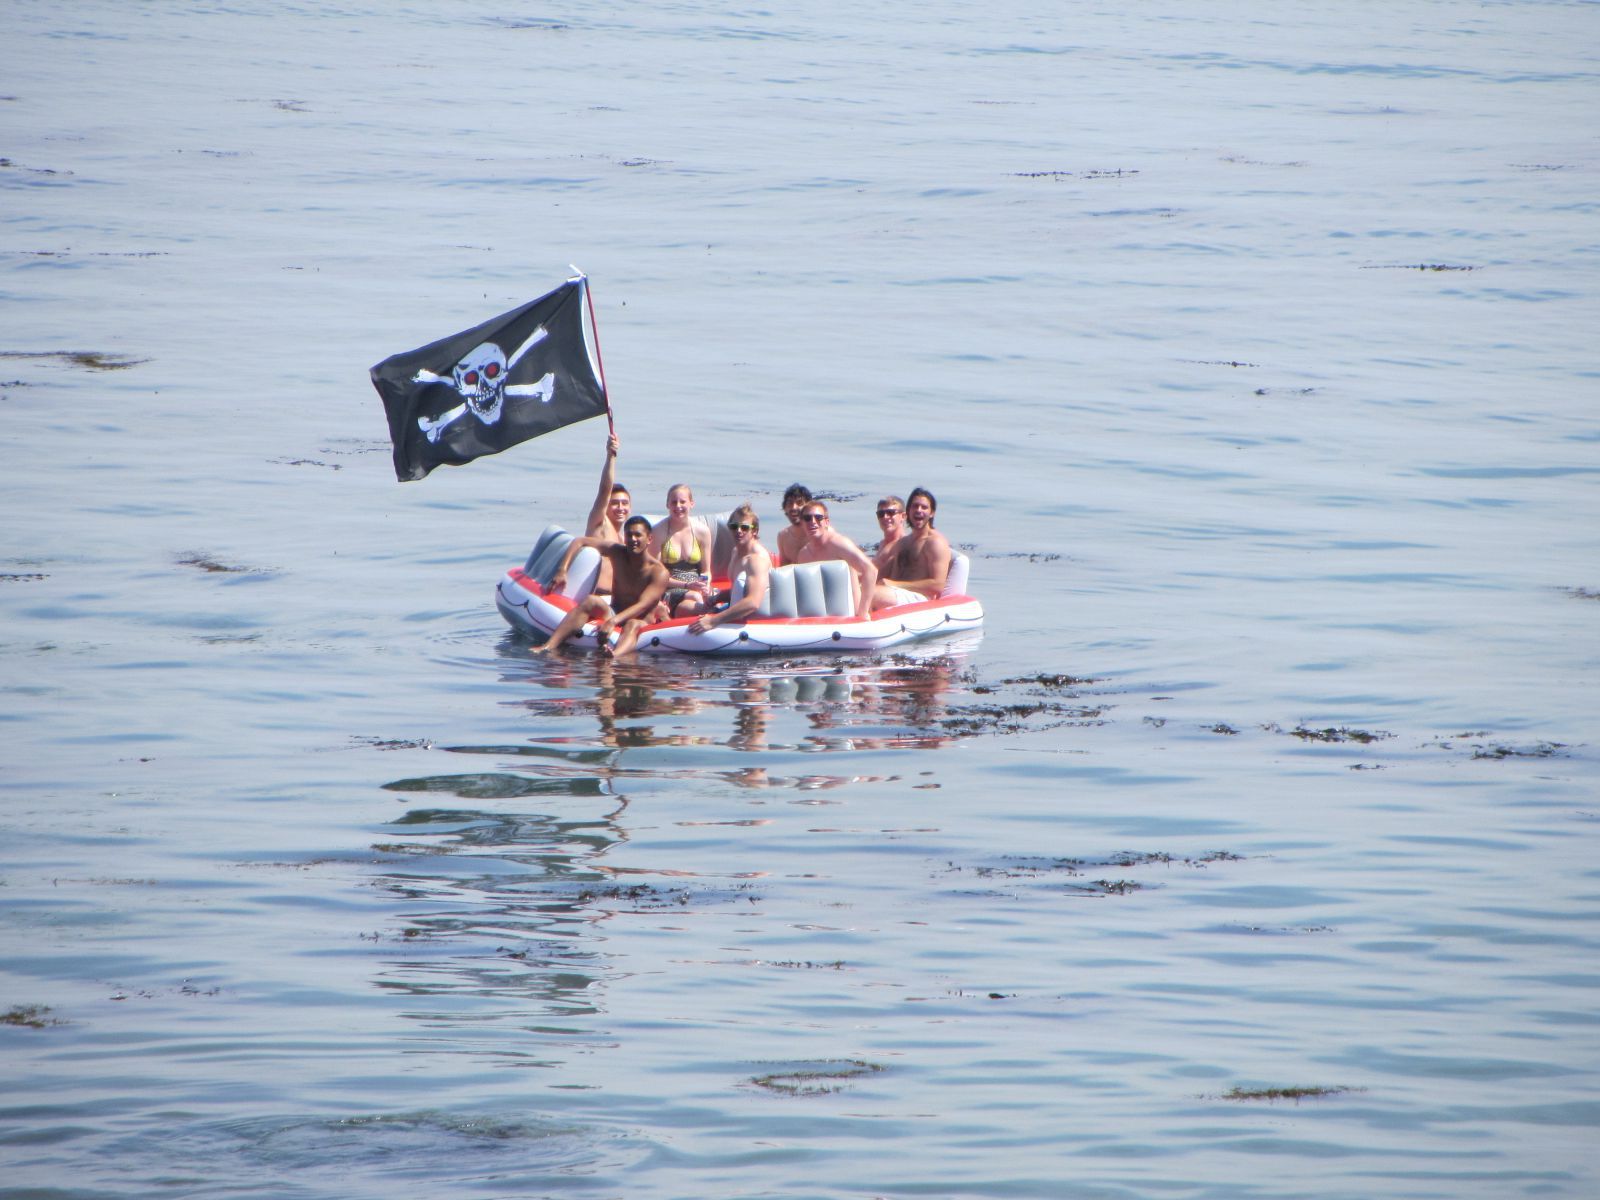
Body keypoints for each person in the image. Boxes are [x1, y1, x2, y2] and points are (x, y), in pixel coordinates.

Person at [533, 515, 669, 658]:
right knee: (591, 600)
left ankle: (614, 655)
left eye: (638, 535)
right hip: (615, 611)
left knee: (632, 624)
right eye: (629, 534)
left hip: (641, 620)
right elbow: (580, 541)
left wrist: (612, 622)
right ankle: (549, 646)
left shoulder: (659, 572)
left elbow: (643, 605)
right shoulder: (618, 552)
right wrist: (562, 570)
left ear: (649, 539)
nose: (633, 539)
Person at [549, 432, 629, 597]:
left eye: (625, 503)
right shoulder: (599, 524)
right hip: (595, 595)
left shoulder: (624, 537)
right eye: (615, 503)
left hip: (616, 598)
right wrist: (610, 457)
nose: (620, 508)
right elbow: (605, 490)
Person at [688, 505, 773, 635]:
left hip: (753, 620)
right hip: (735, 609)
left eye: (744, 527)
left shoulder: (756, 560)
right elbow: (740, 590)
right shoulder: (735, 552)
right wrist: (716, 598)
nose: (738, 531)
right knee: (684, 609)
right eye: (734, 526)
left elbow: (753, 602)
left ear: (754, 531)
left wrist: (713, 621)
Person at [791, 499, 878, 620]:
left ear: (826, 522)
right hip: (822, 617)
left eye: (818, 517)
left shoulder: (840, 544)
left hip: (851, 614)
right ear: (802, 523)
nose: (813, 522)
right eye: (807, 518)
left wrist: (863, 612)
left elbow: (871, 570)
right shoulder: (804, 555)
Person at [874, 486, 952, 608]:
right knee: (860, 591)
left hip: (918, 597)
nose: (918, 510)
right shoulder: (902, 543)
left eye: (924, 507)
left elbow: (938, 585)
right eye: (915, 506)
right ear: (908, 511)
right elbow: (881, 573)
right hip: (896, 594)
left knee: (871, 594)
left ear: (932, 513)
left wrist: (895, 585)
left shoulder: (935, 542)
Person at [650, 483, 715, 618]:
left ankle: (707, 616)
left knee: (699, 598)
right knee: (696, 597)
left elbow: (706, 570)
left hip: (695, 586)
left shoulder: (702, 531)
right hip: (669, 588)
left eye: (682, 502)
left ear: (692, 503)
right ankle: (711, 616)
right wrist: (687, 585)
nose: (678, 506)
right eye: (674, 502)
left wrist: (705, 585)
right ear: (667, 505)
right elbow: (656, 576)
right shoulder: (658, 532)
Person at [775, 482, 812, 565]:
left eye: (799, 503)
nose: (794, 507)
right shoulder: (783, 536)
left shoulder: (820, 533)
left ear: (809, 507)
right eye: (790, 503)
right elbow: (784, 570)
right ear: (784, 508)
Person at [870, 495, 907, 577]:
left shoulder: (902, 545)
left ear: (903, 516)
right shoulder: (883, 543)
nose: (885, 517)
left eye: (891, 513)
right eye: (881, 514)